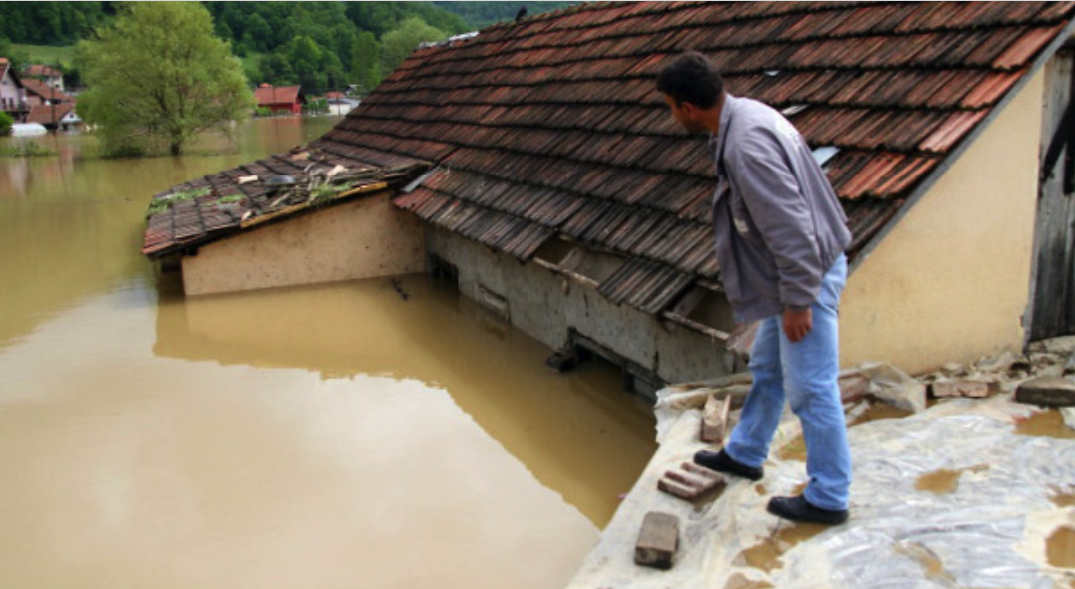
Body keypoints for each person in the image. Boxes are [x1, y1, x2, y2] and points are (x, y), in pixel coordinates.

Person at [656, 52, 854, 525]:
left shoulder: (746, 146)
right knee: (768, 367)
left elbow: (792, 230)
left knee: (812, 389)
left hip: (805, 277)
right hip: (794, 276)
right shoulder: (750, 114)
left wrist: (798, 300)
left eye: (668, 106)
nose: (670, 116)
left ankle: (829, 497)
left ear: (687, 106)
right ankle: (745, 452)